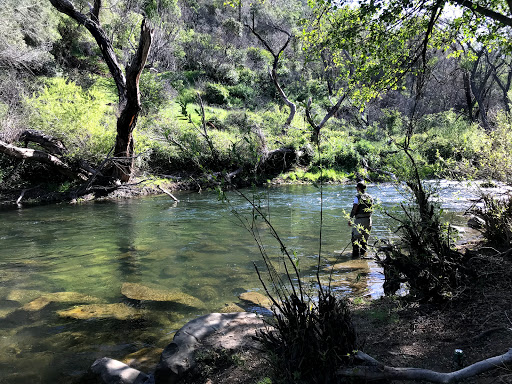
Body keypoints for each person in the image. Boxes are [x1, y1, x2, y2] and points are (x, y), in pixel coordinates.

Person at [348, 181, 373, 258]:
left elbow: (354, 208)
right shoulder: (370, 197)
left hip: (359, 220)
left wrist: (350, 218)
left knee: (355, 238)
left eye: (357, 188)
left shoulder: (357, 197)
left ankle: (355, 257)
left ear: (358, 188)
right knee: (364, 239)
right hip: (368, 220)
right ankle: (363, 256)